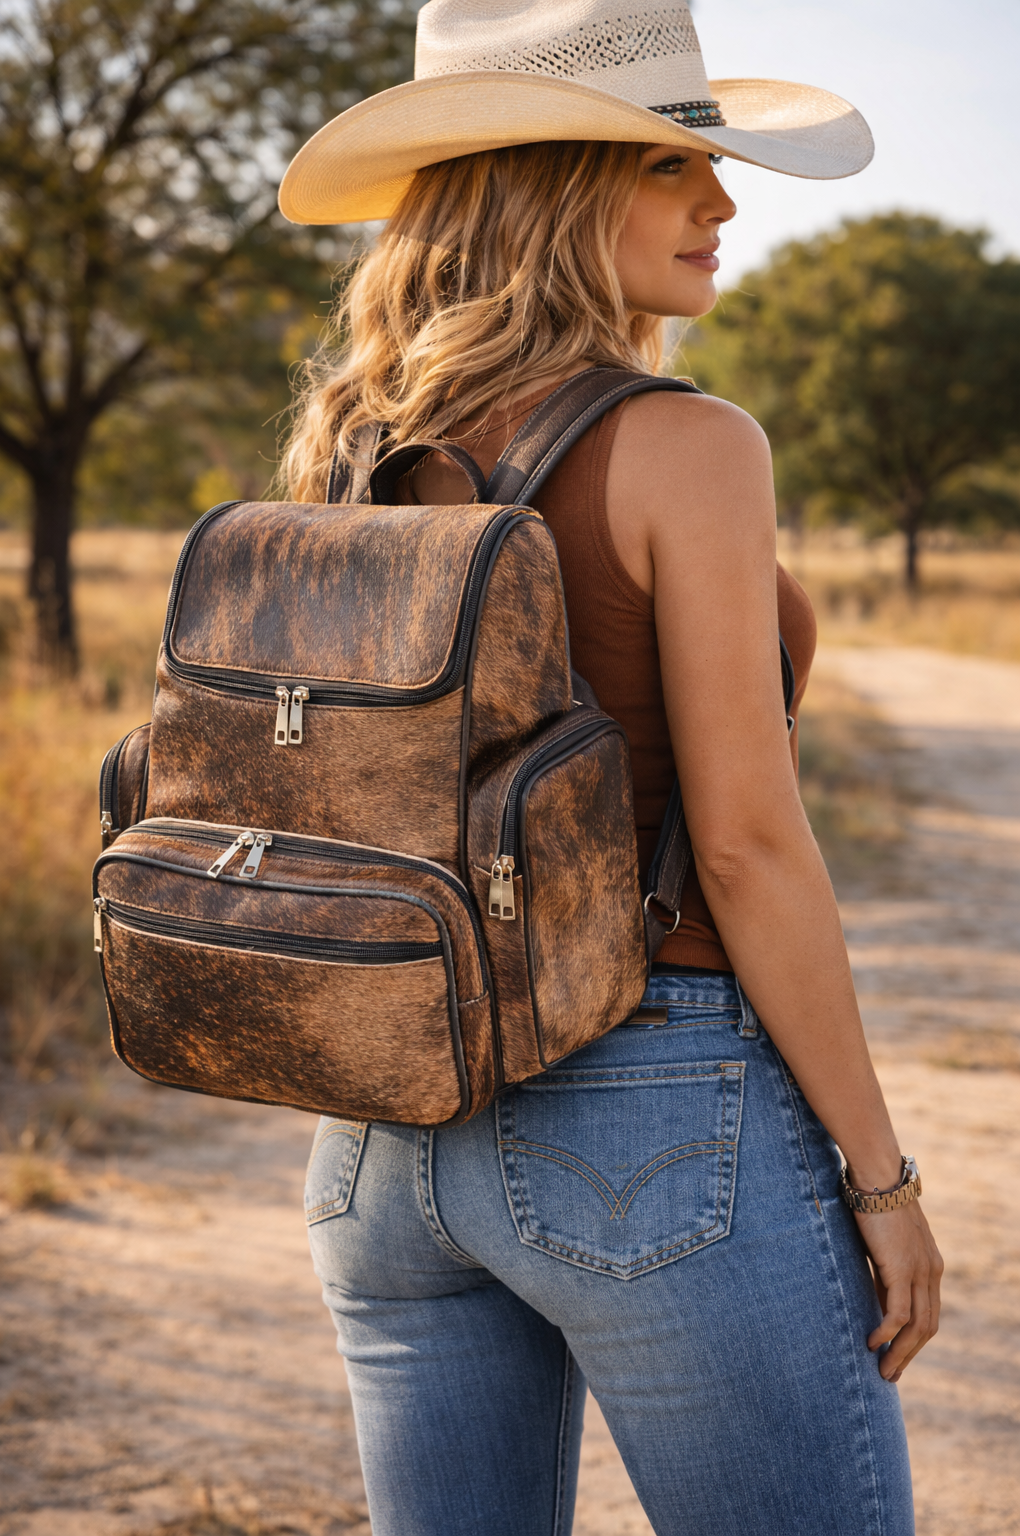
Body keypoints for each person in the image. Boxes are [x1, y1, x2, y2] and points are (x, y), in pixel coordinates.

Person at [277, 4, 942, 1532]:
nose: (723, 203)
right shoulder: (689, 446)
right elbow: (748, 853)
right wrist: (883, 1179)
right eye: (669, 165)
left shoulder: (355, 441)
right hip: (645, 1114)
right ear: (554, 184)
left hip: (384, 1134)